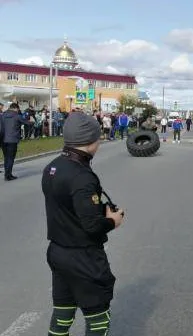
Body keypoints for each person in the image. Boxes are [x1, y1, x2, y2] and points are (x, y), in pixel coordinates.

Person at [42, 112, 124, 335]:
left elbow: (66, 208)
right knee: (98, 320)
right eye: (97, 139)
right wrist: (112, 220)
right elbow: (92, 225)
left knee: (62, 314)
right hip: (84, 257)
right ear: (90, 141)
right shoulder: (82, 176)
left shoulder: (53, 166)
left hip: (58, 251)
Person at [1, 102, 32, 180]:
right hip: (13, 140)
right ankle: (8, 175)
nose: (18, 111)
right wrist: (31, 120)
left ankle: (7, 174)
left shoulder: (3, 115)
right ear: (15, 108)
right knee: (11, 158)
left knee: (6, 158)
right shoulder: (17, 116)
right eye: (18, 109)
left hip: (3, 140)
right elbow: (28, 123)